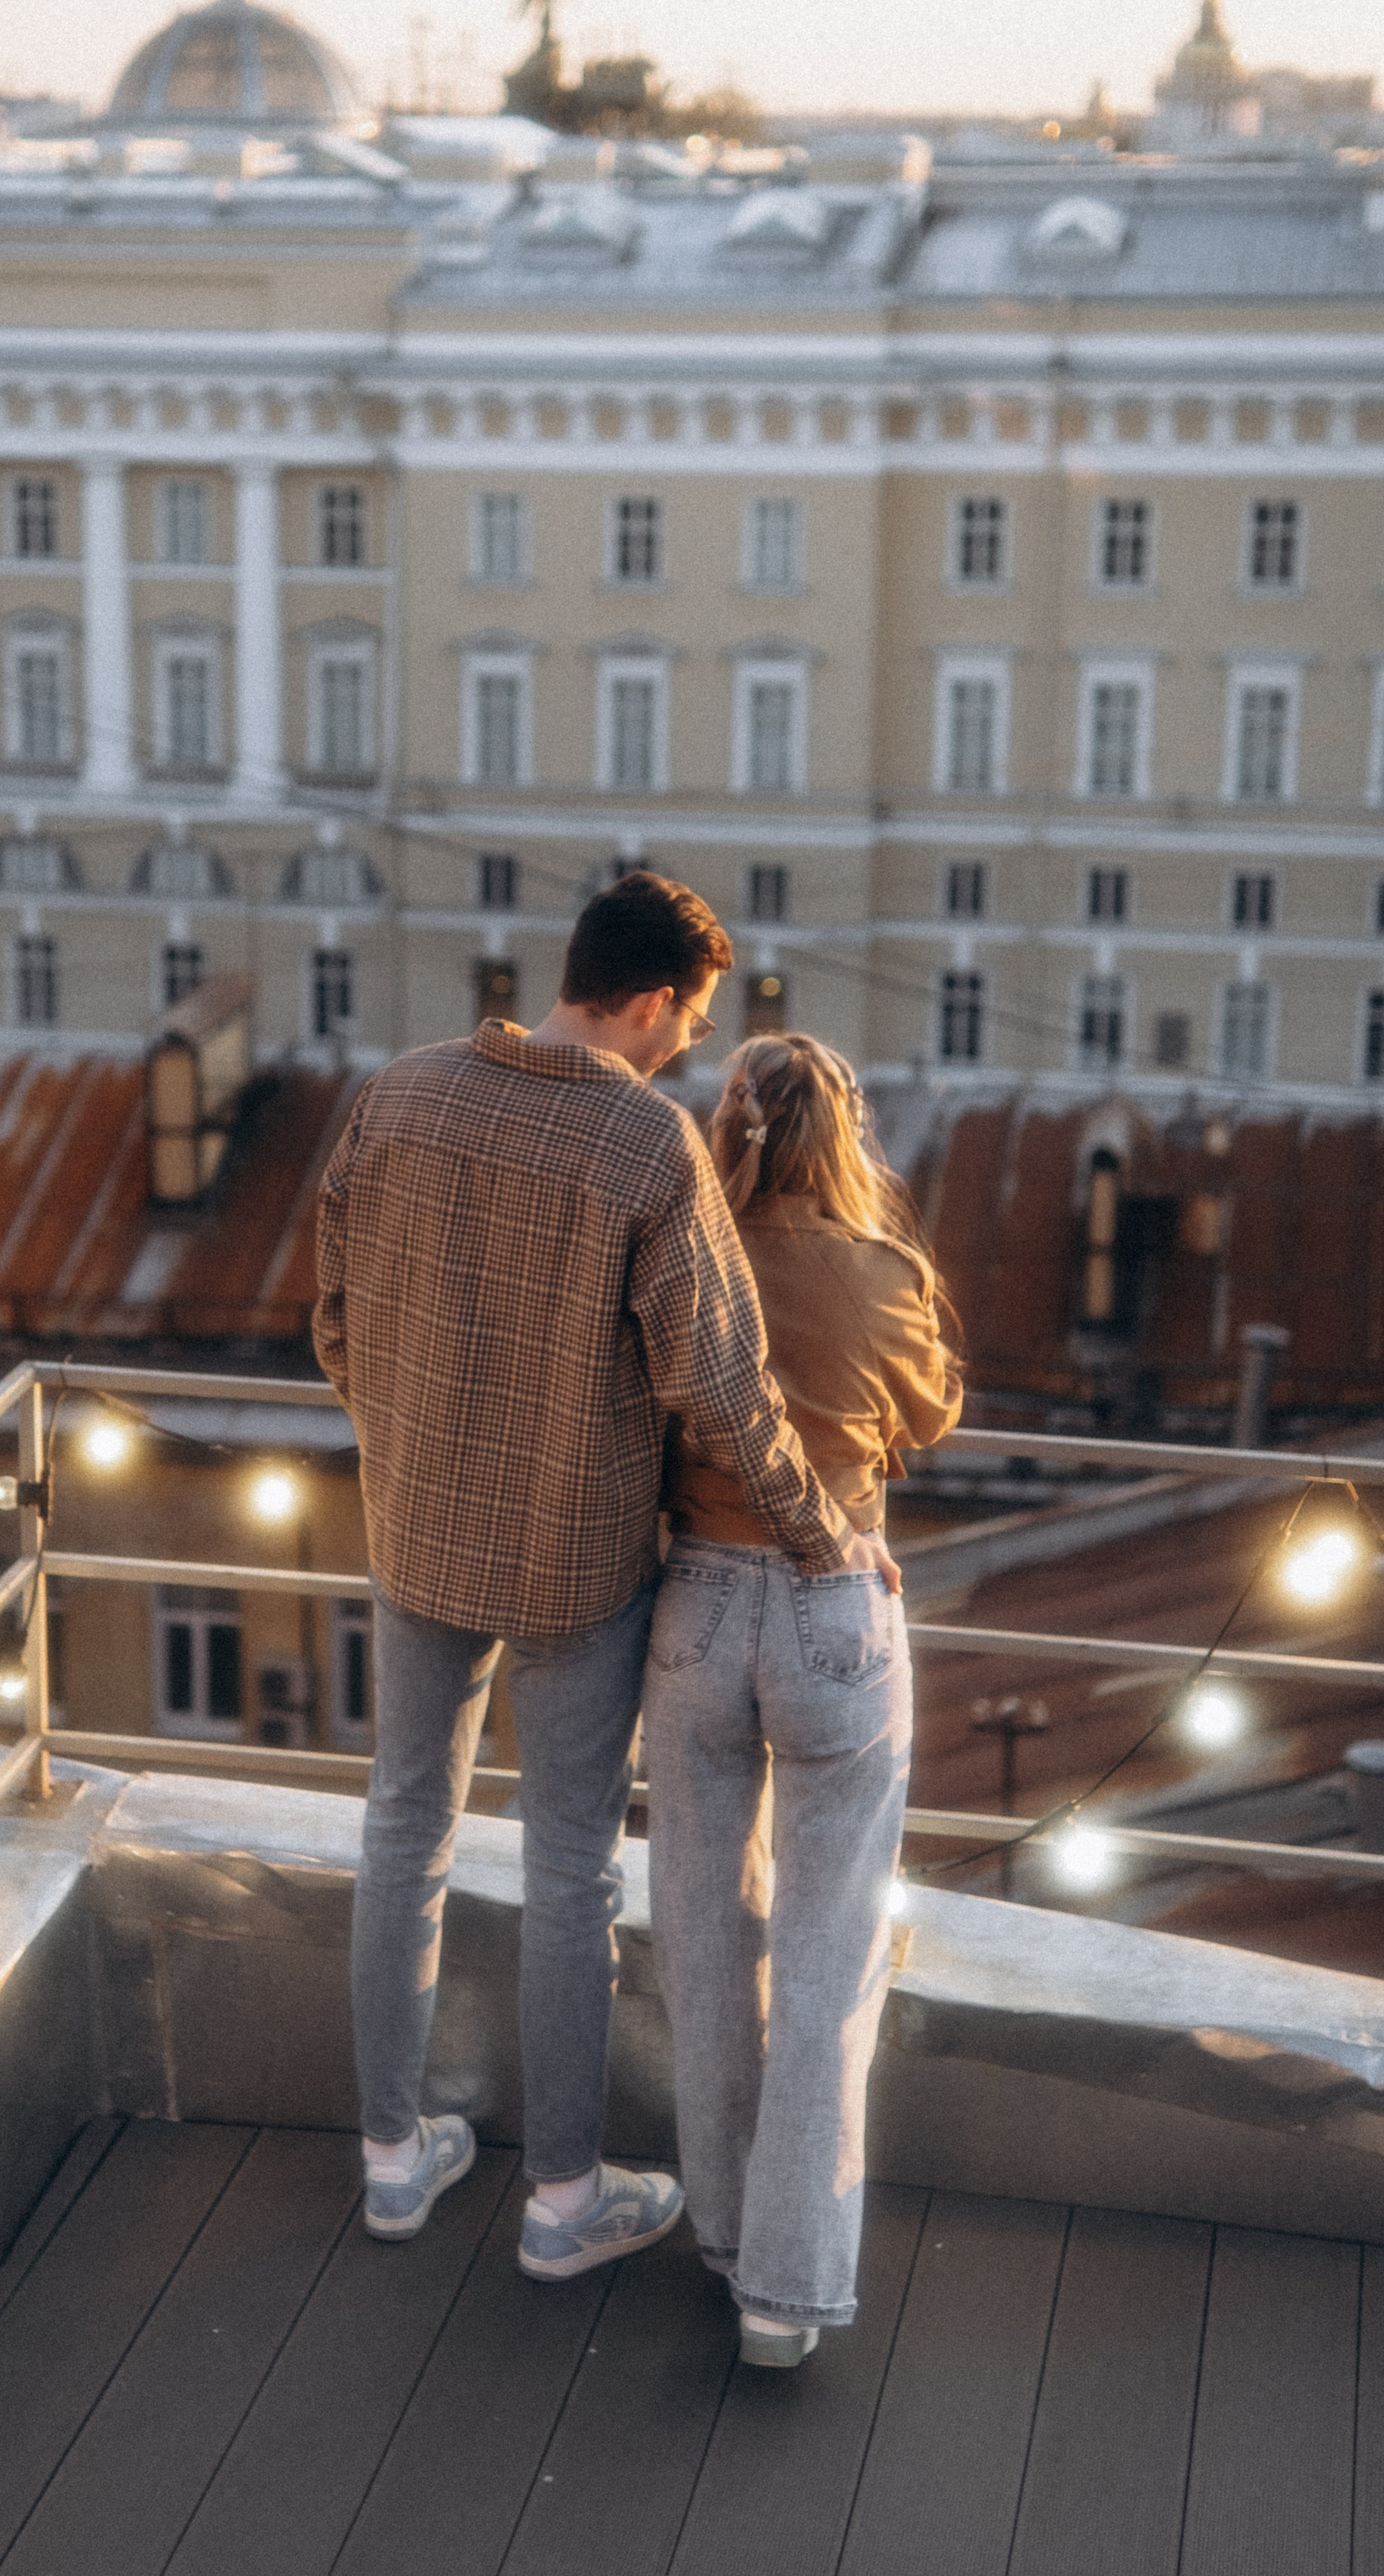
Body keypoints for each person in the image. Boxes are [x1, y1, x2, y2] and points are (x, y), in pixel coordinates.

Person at [314, 876, 895, 2281]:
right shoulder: (646, 1146)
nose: (690, 1044)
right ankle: (564, 2204)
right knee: (569, 1870)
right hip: (578, 1565)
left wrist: (410, 1452)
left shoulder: (399, 1093)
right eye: (689, 1016)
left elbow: (334, 1318)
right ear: (645, 998)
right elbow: (720, 1387)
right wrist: (821, 1540)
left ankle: (393, 2164)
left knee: (405, 1829)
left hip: (416, 1540)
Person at [644, 1031, 962, 2366]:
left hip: (700, 1608)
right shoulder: (883, 1271)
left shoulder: (679, 1260)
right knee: (829, 1961)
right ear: (845, 1139)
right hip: (840, 1609)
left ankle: (721, 2238)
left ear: (729, 1132)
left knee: (706, 1945)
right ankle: (785, 2294)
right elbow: (931, 1412)